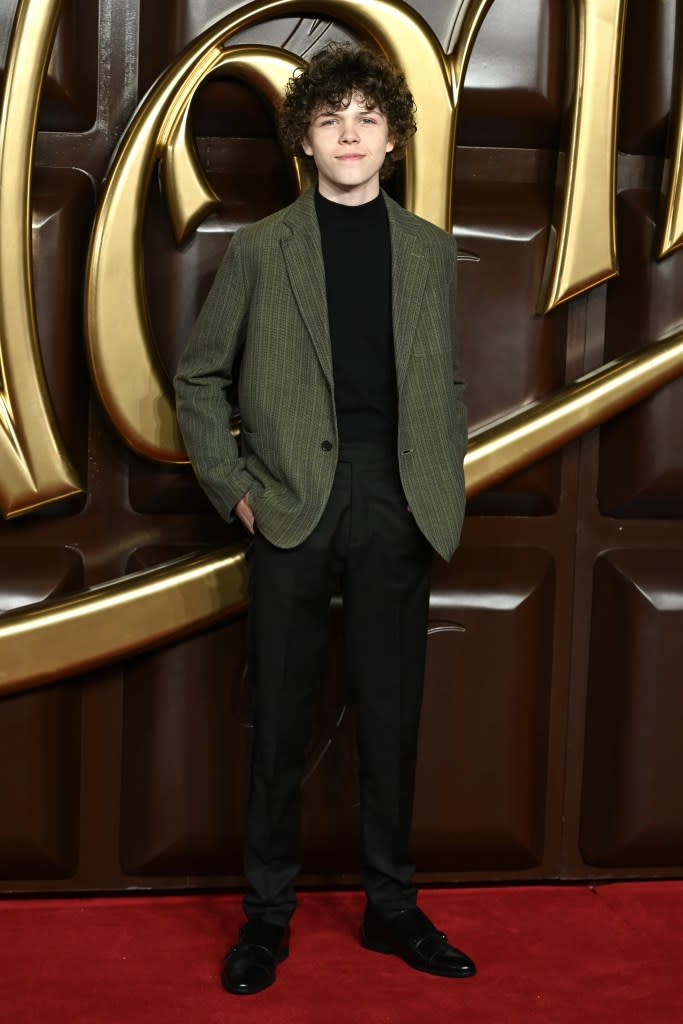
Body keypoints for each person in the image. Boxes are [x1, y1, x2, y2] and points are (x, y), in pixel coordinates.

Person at [174, 42, 473, 995]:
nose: (349, 134)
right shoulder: (262, 248)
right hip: (291, 505)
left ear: (390, 140)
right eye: (330, 118)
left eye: (366, 119)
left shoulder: (427, 251)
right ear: (306, 138)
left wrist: (437, 476)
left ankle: (392, 909)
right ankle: (266, 920)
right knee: (281, 724)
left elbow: (443, 380)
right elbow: (197, 376)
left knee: (392, 720)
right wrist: (236, 489)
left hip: (395, 501)